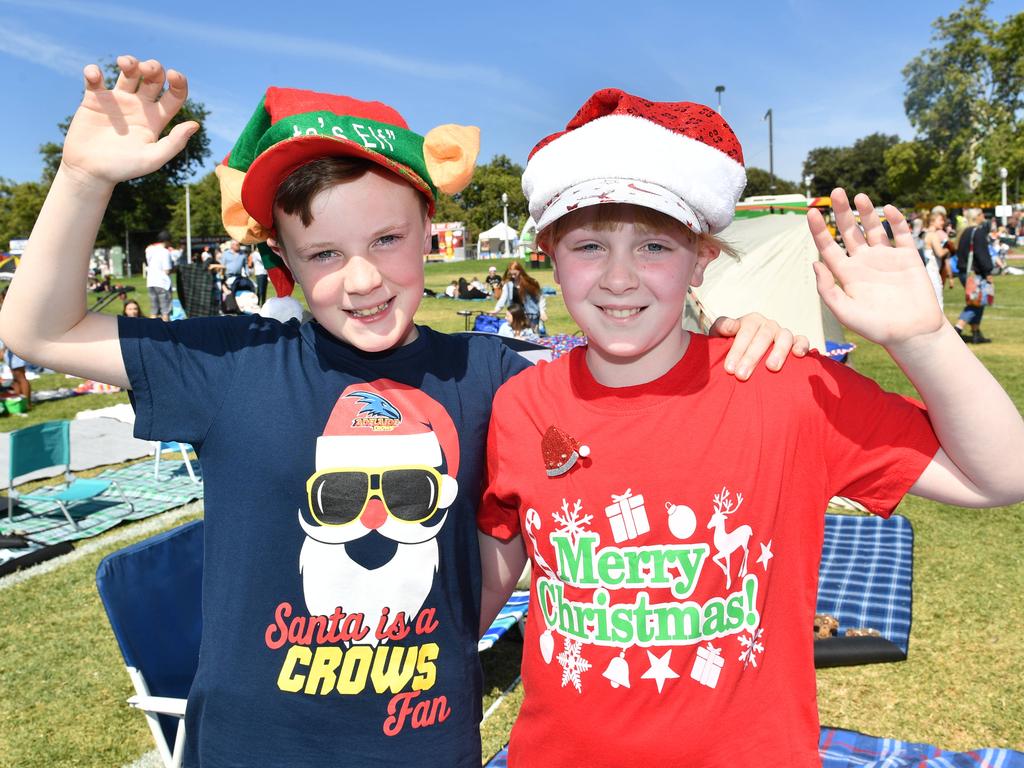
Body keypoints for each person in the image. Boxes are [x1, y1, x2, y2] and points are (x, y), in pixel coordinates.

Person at [0, 60, 805, 767]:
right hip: (251, 751)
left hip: (428, 744)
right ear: (282, 261)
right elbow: (35, 329)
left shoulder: (490, 374)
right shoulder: (233, 365)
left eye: (387, 239)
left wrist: (720, 332)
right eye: (323, 254)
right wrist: (83, 178)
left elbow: (627, 370)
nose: (361, 278)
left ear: (429, 229)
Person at [476, 89, 1024, 768]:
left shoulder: (783, 385)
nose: (619, 277)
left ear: (702, 258)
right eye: (589, 245)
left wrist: (926, 338)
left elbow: (1002, 475)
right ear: (550, 256)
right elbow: (482, 590)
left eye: (653, 245)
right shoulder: (519, 405)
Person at [953, 209, 993, 344]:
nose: (984, 216)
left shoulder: (965, 232)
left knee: (978, 302)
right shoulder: (978, 232)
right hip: (975, 273)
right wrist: (988, 272)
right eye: (982, 214)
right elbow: (982, 254)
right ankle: (957, 329)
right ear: (976, 217)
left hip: (965, 272)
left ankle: (976, 333)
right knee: (976, 302)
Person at [494, 260, 546, 332]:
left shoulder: (531, 283)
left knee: (532, 337)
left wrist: (542, 312)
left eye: (515, 274)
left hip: (531, 316)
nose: (513, 276)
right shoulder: (508, 285)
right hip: (516, 317)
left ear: (520, 271)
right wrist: (496, 310)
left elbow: (540, 298)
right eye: (511, 274)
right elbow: (502, 299)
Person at [144, 230, 174, 320]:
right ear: (167, 241)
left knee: (154, 310)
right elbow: (167, 270)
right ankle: (166, 332)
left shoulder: (149, 249)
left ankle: (153, 332)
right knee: (165, 311)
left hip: (151, 282)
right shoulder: (165, 252)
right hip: (162, 283)